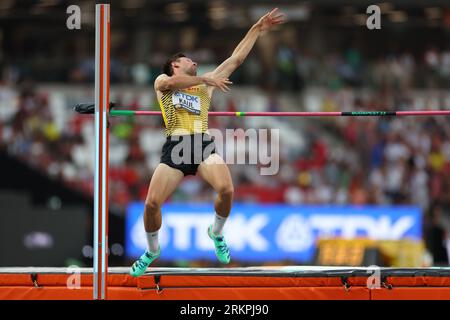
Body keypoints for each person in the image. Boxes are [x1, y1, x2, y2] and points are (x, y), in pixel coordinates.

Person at [130, 8, 285, 276]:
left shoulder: (205, 85)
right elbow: (174, 84)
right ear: (175, 64)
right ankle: (152, 251)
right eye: (188, 59)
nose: (194, 61)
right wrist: (205, 78)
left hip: (201, 145)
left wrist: (257, 29)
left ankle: (216, 233)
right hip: (176, 148)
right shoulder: (163, 80)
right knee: (151, 205)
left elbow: (236, 59)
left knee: (227, 190)